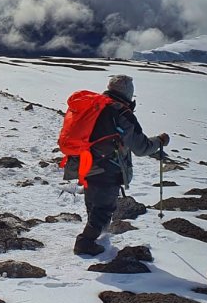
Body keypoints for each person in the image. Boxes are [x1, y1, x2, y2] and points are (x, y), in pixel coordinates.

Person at [62, 74, 169, 256]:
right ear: (128, 93)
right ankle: (85, 243)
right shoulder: (121, 113)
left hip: (85, 162)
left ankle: (99, 234)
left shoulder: (95, 105)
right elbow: (141, 147)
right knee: (104, 208)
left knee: (94, 204)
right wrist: (160, 141)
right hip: (107, 166)